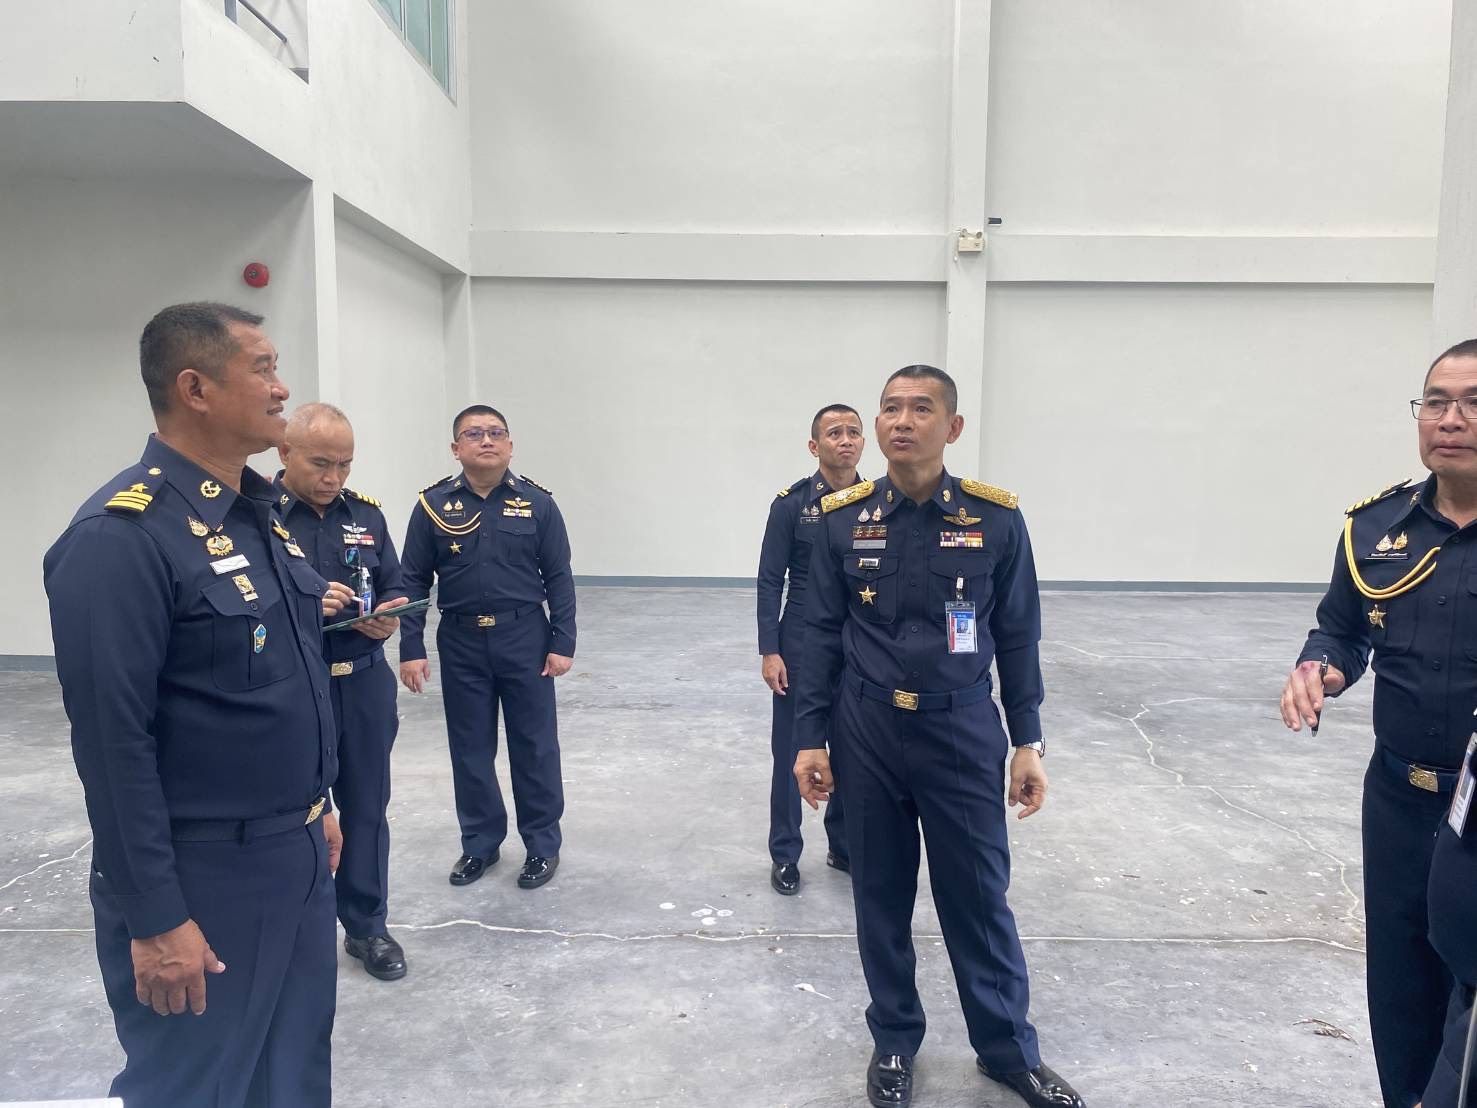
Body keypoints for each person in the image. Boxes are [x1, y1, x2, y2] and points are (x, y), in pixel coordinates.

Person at [44, 302, 354, 1107]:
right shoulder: (120, 538)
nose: (282, 388)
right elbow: (113, 746)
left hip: (293, 857)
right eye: (263, 369)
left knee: (293, 1077)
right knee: (197, 1087)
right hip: (203, 879)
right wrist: (155, 917)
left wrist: (314, 804)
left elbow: (280, 678)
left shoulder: (258, 517)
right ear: (195, 389)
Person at [793, 365, 1084, 1108]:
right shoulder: (841, 519)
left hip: (960, 729)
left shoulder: (995, 520)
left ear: (951, 427)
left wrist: (1028, 741)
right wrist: (809, 737)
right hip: (867, 730)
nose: (901, 421)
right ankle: (894, 1040)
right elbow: (818, 633)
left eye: (921, 409)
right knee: (879, 897)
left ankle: (1007, 1051)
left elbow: (1018, 637)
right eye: (890, 408)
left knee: (978, 897)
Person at [1281, 339, 1477, 1108]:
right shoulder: (1374, 528)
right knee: (1399, 983)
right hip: (1397, 798)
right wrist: (1319, 667)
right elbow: (1340, 628)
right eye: (1436, 402)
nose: (1450, 419)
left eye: (1472, 403)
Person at [399, 404, 576, 890]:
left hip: (525, 638)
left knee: (535, 746)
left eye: (496, 433)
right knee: (470, 748)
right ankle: (480, 844)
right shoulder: (432, 506)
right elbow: (412, 580)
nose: (486, 441)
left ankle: (542, 845)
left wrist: (562, 641)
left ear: (510, 445)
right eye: (474, 434)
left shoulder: (538, 504)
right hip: (460, 642)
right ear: (456, 448)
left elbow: (559, 577)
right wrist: (411, 646)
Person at [275, 403, 411, 981]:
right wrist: (308, 604)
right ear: (285, 453)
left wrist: (390, 617)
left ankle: (366, 926)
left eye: (345, 464)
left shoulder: (367, 516)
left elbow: (396, 583)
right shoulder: (258, 518)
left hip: (362, 683)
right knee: (292, 812)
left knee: (367, 807)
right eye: (320, 464)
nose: (334, 477)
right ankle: (293, 929)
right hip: (293, 686)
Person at [756, 403, 863, 895]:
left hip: (859, 639)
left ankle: (844, 845)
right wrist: (770, 650)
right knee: (793, 749)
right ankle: (785, 853)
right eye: (834, 433)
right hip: (800, 638)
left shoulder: (879, 503)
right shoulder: (792, 505)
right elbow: (769, 579)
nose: (845, 440)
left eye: (853, 432)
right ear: (814, 445)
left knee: (853, 748)